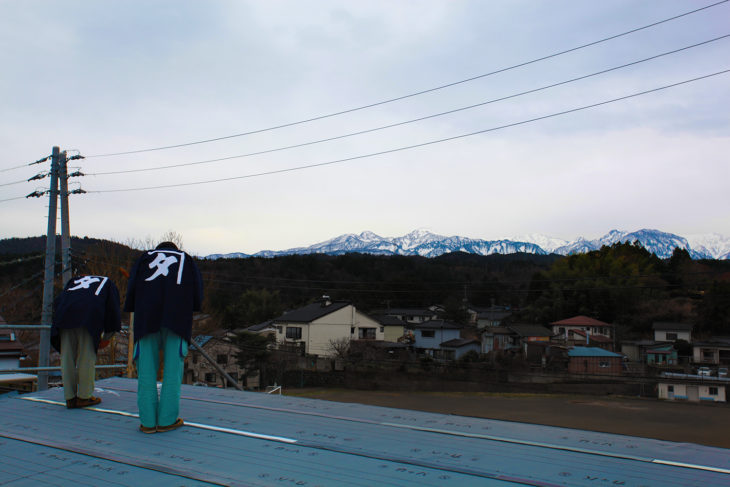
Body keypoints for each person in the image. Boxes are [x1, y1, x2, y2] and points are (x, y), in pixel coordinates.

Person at [124, 242, 203, 434]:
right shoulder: (186, 259)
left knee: (146, 371)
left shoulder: (145, 258)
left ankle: (148, 422)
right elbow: (197, 293)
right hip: (177, 319)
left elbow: (132, 288)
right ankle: (167, 420)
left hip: (146, 318)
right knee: (172, 372)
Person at [52, 275, 121, 408]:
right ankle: (84, 396)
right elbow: (113, 311)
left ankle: (69, 397)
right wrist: (107, 336)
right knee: (86, 356)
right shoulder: (108, 284)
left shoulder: (73, 281)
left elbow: (58, 301)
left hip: (65, 314)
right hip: (88, 315)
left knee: (66, 357)